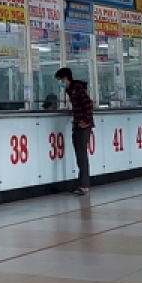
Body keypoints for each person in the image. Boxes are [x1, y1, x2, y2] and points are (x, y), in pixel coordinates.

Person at [55, 67, 94, 196]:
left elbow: (88, 104)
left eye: (60, 80)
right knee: (79, 155)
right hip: (78, 125)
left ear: (65, 78)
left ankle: (84, 185)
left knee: (81, 155)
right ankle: (82, 183)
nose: (60, 83)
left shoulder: (77, 89)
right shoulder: (70, 90)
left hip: (82, 126)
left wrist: (86, 121)